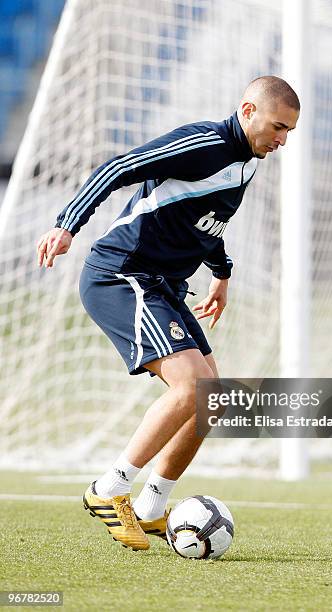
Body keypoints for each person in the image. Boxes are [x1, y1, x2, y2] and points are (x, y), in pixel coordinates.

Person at [36, 75, 300, 551]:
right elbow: (118, 167)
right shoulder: (205, 143)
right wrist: (67, 225)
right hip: (122, 274)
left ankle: (152, 507)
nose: (282, 140)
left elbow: (205, 223)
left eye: (288, 133)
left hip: (164, 283)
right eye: (278, 127)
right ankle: (109, 488)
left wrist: (222, 274)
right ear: (247, 111)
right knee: (194, 387)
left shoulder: (246, 161)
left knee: (211, 399)